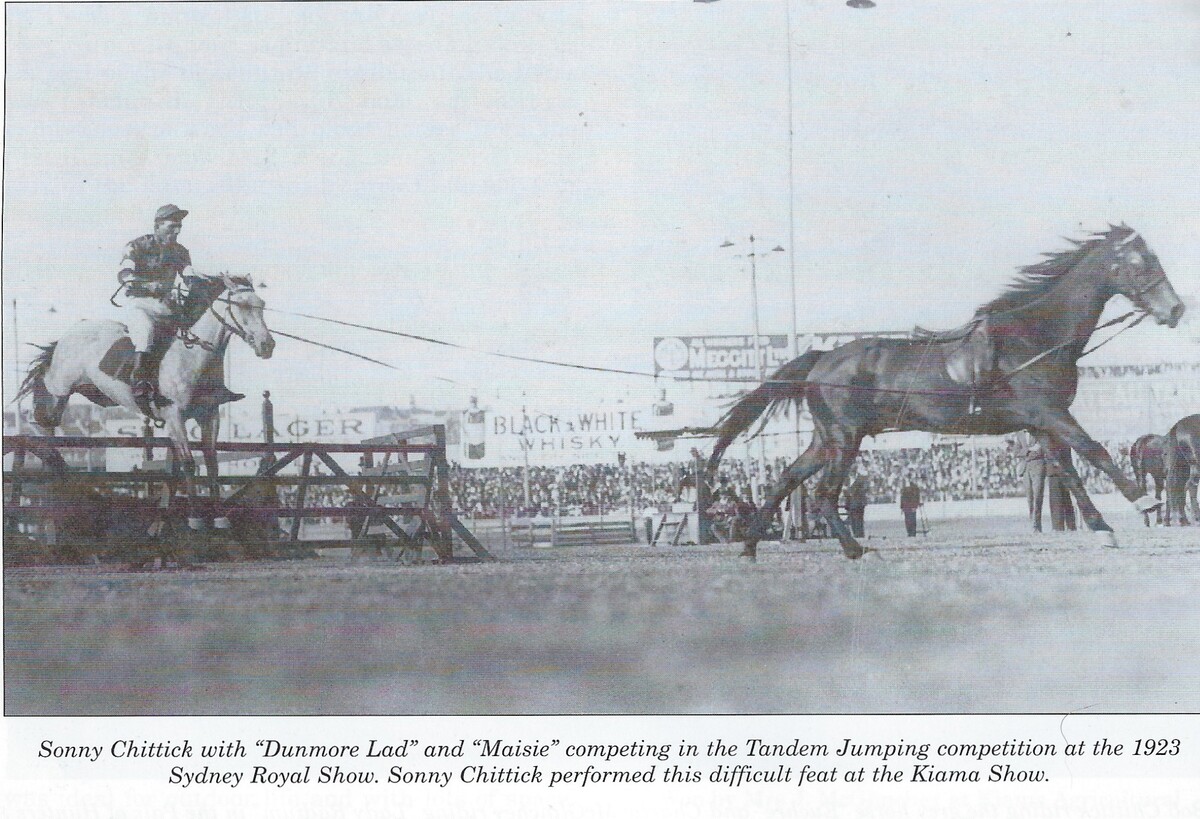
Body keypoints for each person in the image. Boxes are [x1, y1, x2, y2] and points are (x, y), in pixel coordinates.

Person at [116, 204, 196, 413]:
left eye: (179, 227)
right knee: (146, 332)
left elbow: (190, 278)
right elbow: (124, 274)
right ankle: (139, 382)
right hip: (140, 304)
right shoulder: (137, 245)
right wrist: (147, 285)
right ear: (158, 225)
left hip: (167, 307)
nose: (177, 231)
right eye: (172, 226)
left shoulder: (181, 252)